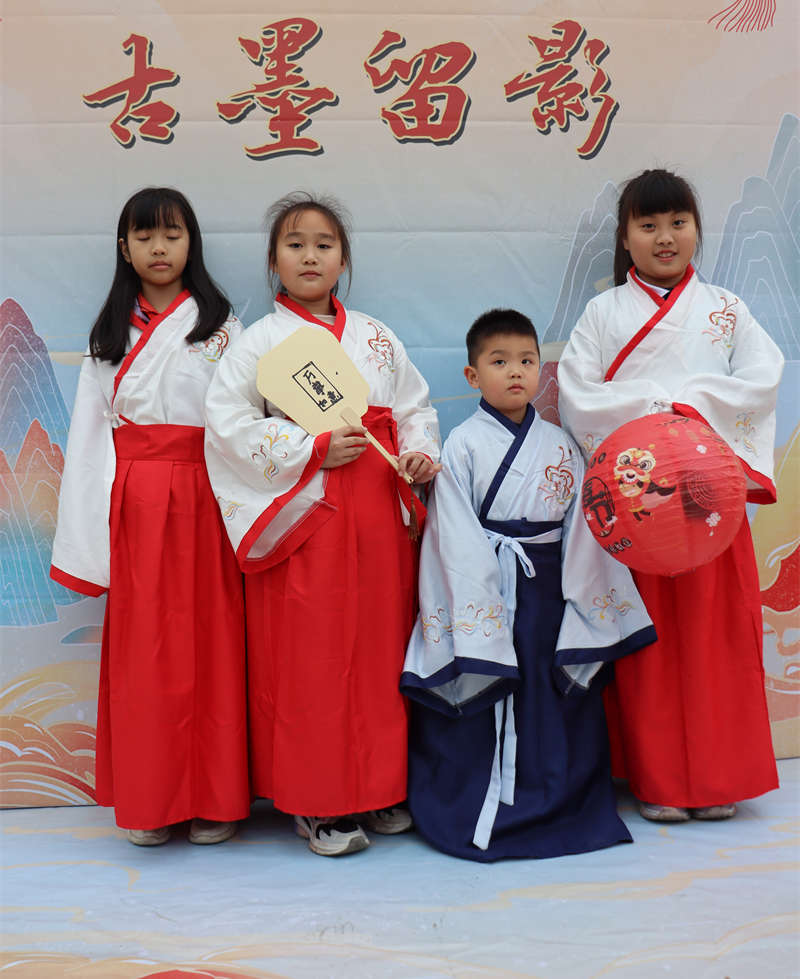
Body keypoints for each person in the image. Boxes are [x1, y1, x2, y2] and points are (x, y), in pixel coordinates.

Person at [204, 191, 441, 857]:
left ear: (343, 260)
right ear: (273, 260)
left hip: (377, 512)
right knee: (311, 660)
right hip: (305, 516)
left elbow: (414, 407)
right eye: (295, 244)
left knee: (379, 651)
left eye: (324, 245)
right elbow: (227, 426)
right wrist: (308, 447)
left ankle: (378, 785)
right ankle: (318, 802)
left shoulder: (375, 336)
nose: (310, 256)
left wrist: (420, 453)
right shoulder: (259, 342)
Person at [557, 169, 783, 823]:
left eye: (677, 222)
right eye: (648, 224)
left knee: (716, 639)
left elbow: (763, 377)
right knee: (649, 643)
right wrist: (658, 413)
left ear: (696, 230)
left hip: (710, 496)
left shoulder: (725, 309)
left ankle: (716, 779)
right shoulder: (603, 313)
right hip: (640, 499)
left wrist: (689, 408)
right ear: (625, 237)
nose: (665, 237)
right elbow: (577, 393)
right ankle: (658, 780)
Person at [401, 309, 656, 861]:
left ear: (542, 370)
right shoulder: (462, 445)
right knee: (487, 689)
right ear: (472, 375)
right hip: (487, 592)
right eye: (499, 362)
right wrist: (483, 603)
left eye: (526, 360)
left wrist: (583, 601)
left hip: (548, 597)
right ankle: (477, 806)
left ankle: (561, 802)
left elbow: (583, 529)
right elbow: (453, 535)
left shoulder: (561, 445)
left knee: (554, 698)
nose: (515, 372)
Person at [50, 187, 249, 847]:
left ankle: (216, 797)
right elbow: (88, 439)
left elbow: (244, 423)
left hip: (208, 492)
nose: (159, 248)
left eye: (172, 234)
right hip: (135, 498)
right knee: (145, 652)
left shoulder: (223, 328)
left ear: (192, 243)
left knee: (215, 644)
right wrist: (90, 531)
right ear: (124, 247)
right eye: (144, 236)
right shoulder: (110, 334)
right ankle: (151, 799)